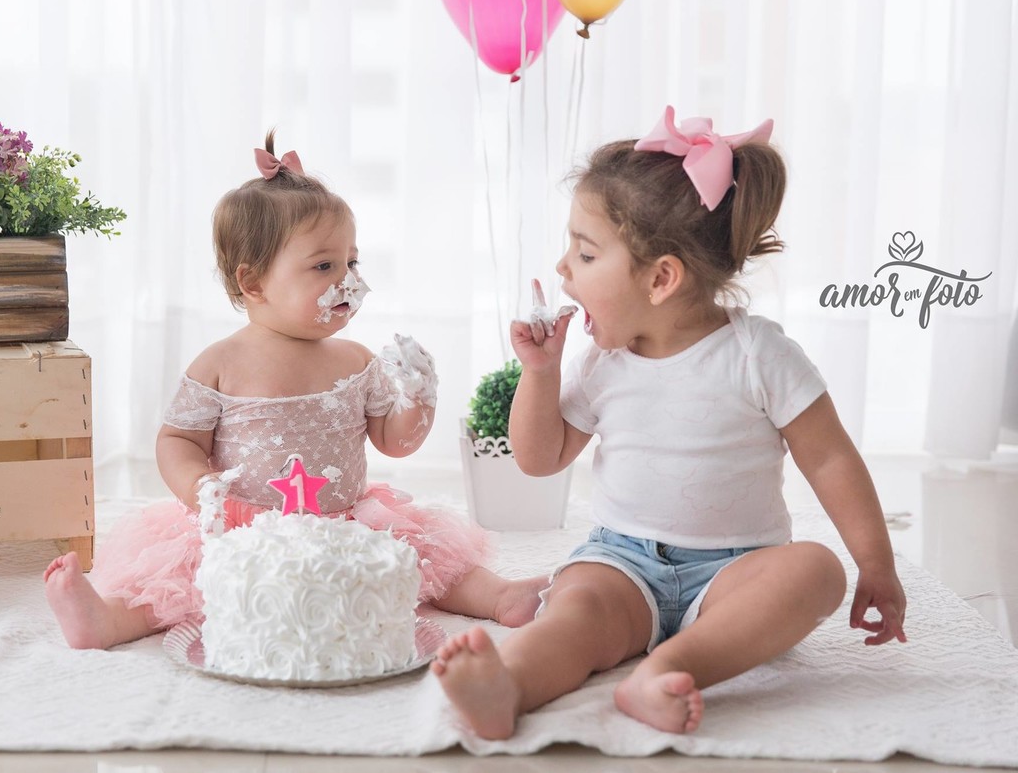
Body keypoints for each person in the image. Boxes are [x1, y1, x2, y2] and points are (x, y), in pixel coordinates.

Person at [432, 106, 907, 738]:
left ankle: (669, 670)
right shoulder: (603, 363)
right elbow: (538, 459)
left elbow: (830, 459)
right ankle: (507, 685)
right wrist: (541, 375)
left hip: (736, 571)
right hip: (620, 561)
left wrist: (876, 565)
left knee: (816, 571)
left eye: (586, 252)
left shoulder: (757, 355)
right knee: (574, 618)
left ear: (660, 278)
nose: (563, 269)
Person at [44, 132, 546, 650]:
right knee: (186, 579)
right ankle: (106, 619)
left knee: (423, 556)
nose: (349, 281)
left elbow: (395, 443)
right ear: (254, 282)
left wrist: (417, 397)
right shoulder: (220, 363)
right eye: (324, 266)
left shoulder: (355, 361)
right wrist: (201, 486)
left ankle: (501, 596)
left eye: (353, 262)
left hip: (344, 523)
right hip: (241, 527)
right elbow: (177, 441)